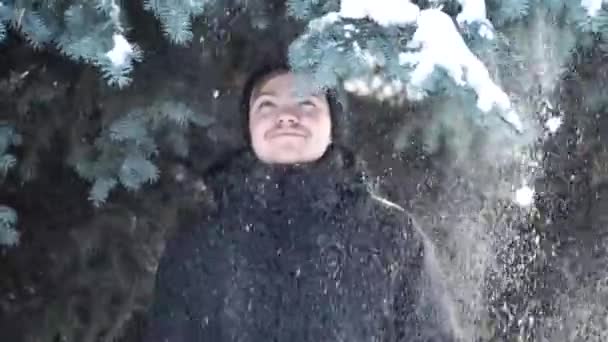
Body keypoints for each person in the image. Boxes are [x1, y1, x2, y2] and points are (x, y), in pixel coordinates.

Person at [144, 62, 453, 341]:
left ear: (333, 126)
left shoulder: (391, 233)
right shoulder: (198, 242)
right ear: (248, 129)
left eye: (306, 102)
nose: (288, 116)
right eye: (267, 105)